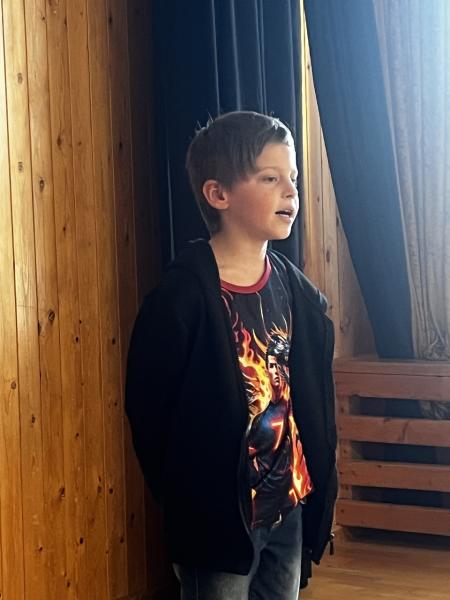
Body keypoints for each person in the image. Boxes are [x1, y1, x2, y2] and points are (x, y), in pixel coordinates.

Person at [125, 111, 337, 600]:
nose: (291, 191)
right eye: (270, 178)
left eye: (292, 177)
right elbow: (150, 413)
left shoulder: (295, 292)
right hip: (218, 520)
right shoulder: (180, 301)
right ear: (218, 194)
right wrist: (190, 498)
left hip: (288, 504)